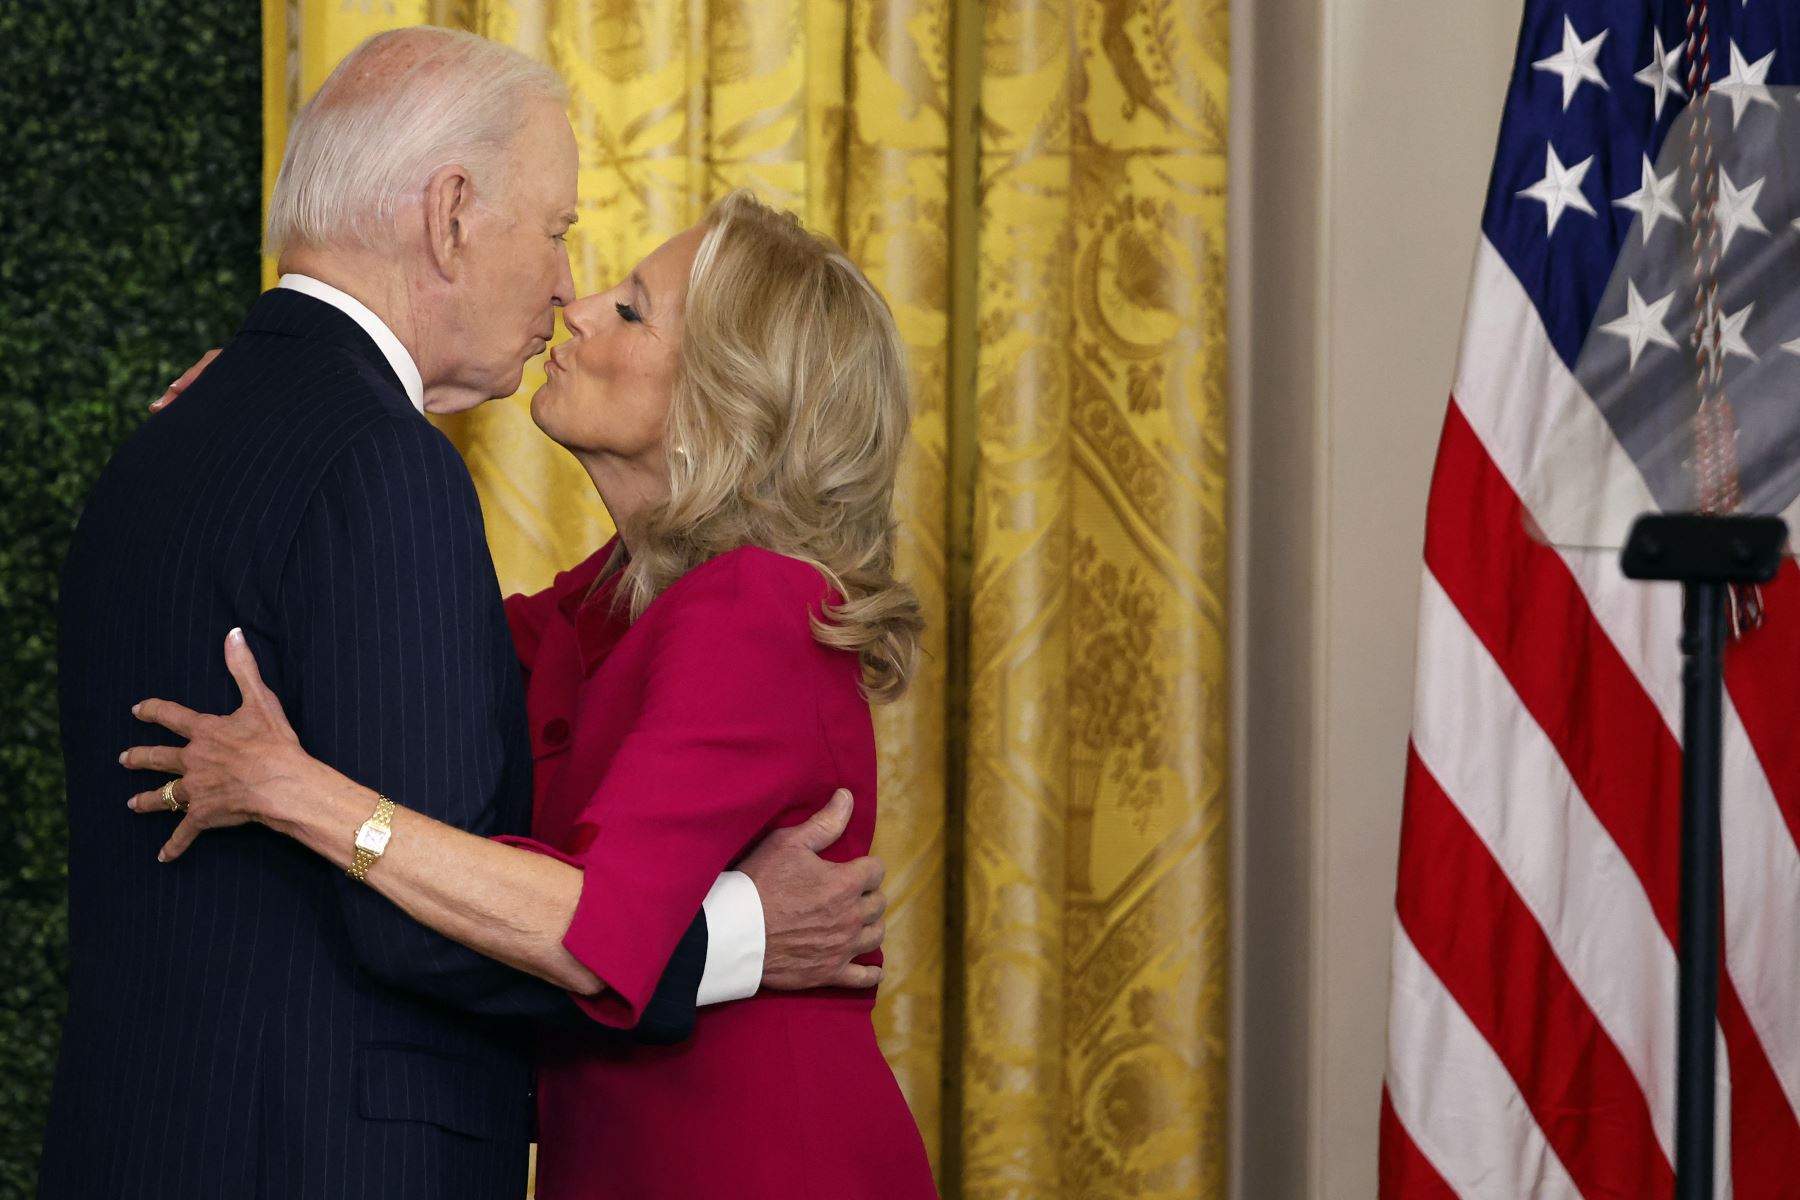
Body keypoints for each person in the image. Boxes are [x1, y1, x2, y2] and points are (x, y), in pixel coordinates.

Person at [42, 29, 885, 1200]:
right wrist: (742, 931)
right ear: (449, 217)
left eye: (631, 309)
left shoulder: (749, 606)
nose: (570, 297)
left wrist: (300, 790)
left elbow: (596, 922)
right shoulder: (508, 547)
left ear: (725, 400)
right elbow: (396, 700)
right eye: (559, 237)